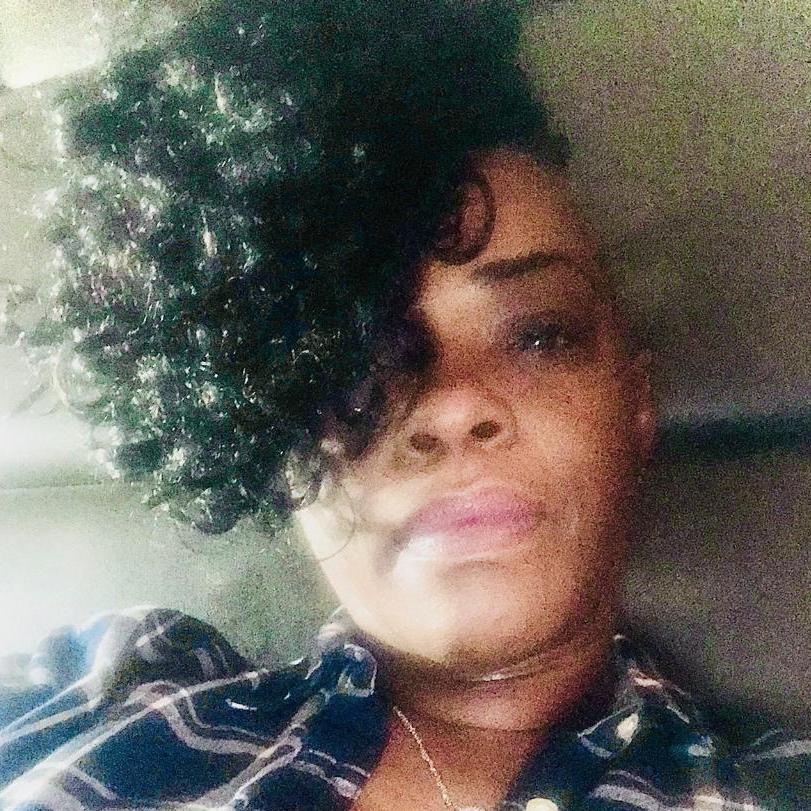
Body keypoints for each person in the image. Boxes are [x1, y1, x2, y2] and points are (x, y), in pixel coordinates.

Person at [0, 1, 807, 809]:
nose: (450, 404)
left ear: (634, 406)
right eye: (359, 355)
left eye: (537, 334)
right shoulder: (112, 685)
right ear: (264, 427)